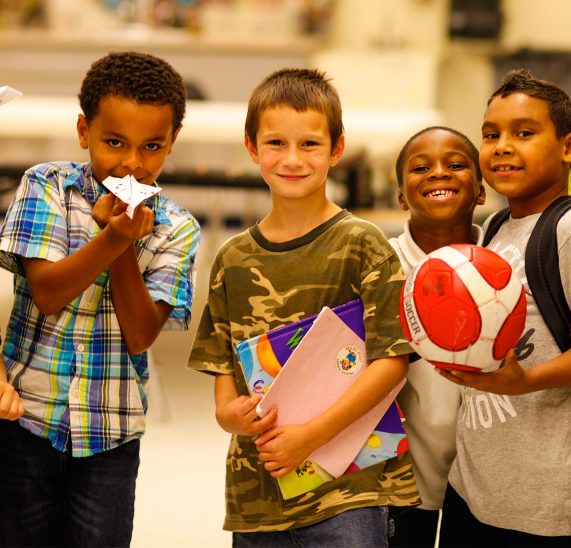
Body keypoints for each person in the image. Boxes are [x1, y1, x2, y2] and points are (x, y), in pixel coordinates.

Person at [187, 68, 420, 547]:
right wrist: (231, 415)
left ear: (336, 149)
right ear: (251, 147)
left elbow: (392, 363)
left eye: (310, 145)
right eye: (276, 144)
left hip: (349, 489)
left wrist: (310, 435)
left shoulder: (363, 244)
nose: (292, 159)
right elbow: (222, 374)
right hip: (258, 496)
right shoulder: (232, 259)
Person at [0, 51, 200, 546]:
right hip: (26, 422)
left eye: (152, 146)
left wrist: (124, 243)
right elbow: (47, 292)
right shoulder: (45, 186)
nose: (132, 162)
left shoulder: (177, 228)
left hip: (110, 438)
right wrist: (112, 238)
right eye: (114, 142)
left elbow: (140, 333)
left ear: (172, 143)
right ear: (83, 132)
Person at [435, 68, 571, 547]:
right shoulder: (496, 227)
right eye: (491, 134)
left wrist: (524, 382)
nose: (503, 145)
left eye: (524, 133)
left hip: (553, 502)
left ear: (569, 147)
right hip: (474, 490)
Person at [388, 126, 486, 547]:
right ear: (400, 196)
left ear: (481, 191)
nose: (438, 173)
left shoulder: (504, 263)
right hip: (404, 478)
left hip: (485, 483)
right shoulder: (383, 264)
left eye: (457, 164)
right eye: (421, 167)